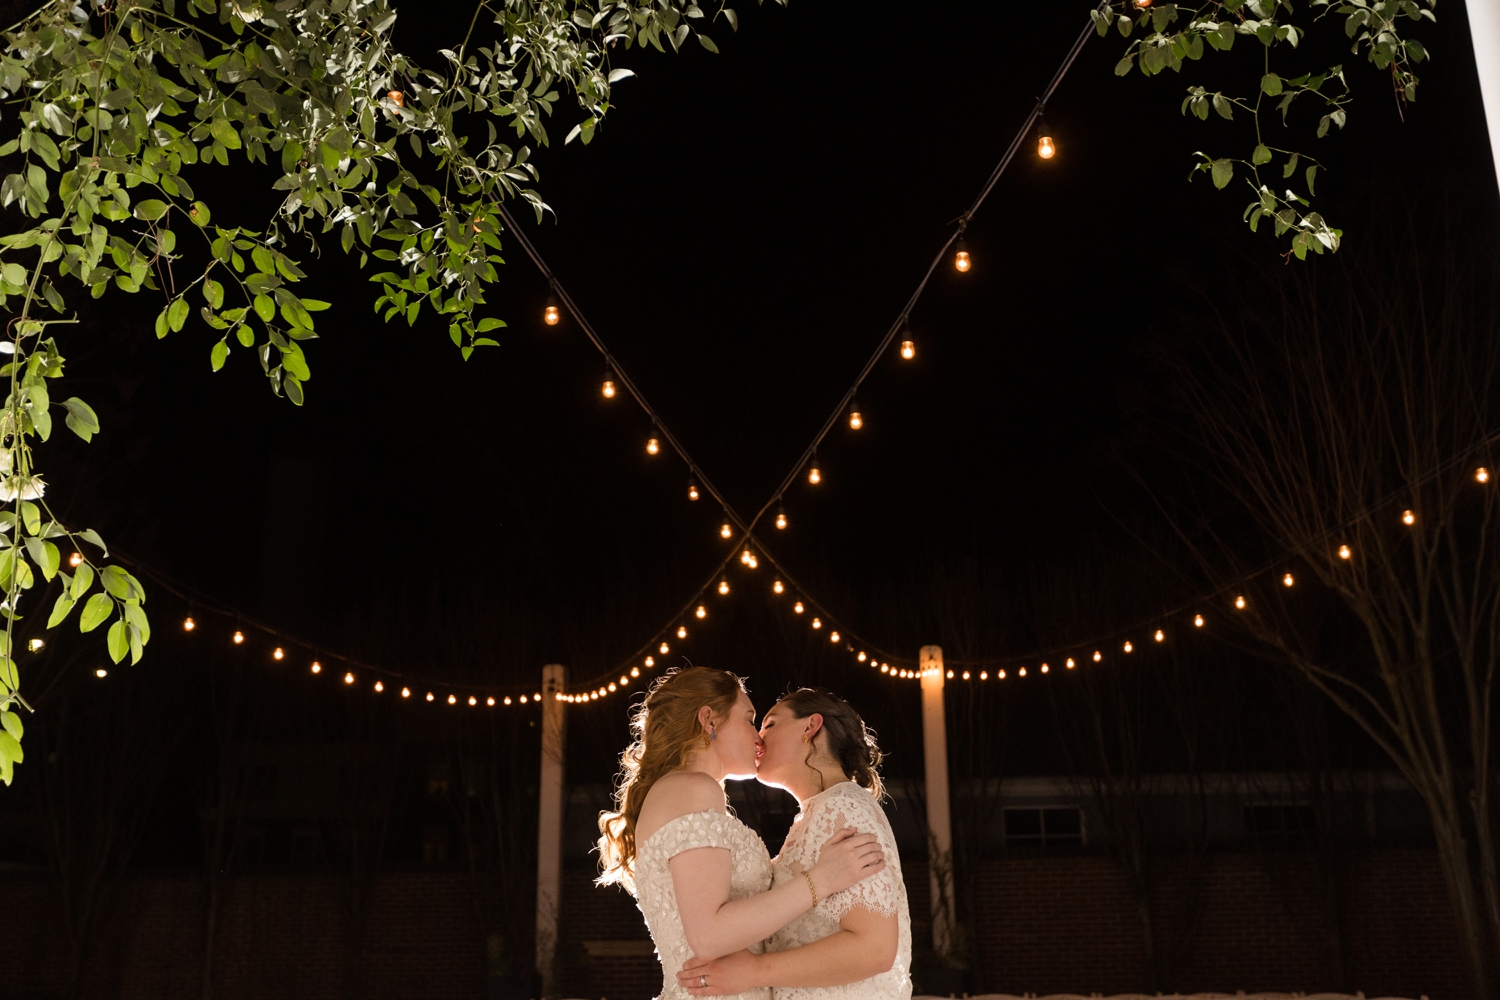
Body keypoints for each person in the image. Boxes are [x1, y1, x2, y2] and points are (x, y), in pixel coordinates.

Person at [597, 667, 888, 1000]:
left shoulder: (686, 793)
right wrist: (821, 880)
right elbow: (708, 936)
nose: (758, 737)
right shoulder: (693, 789)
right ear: (709, 720)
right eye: (749, 719)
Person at [677, 687, 911, 1000]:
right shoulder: (817, 813)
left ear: (810, 727)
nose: (758, 739)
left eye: (769, 724)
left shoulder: (843, 808)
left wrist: (755, 971)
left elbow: (876, 948)